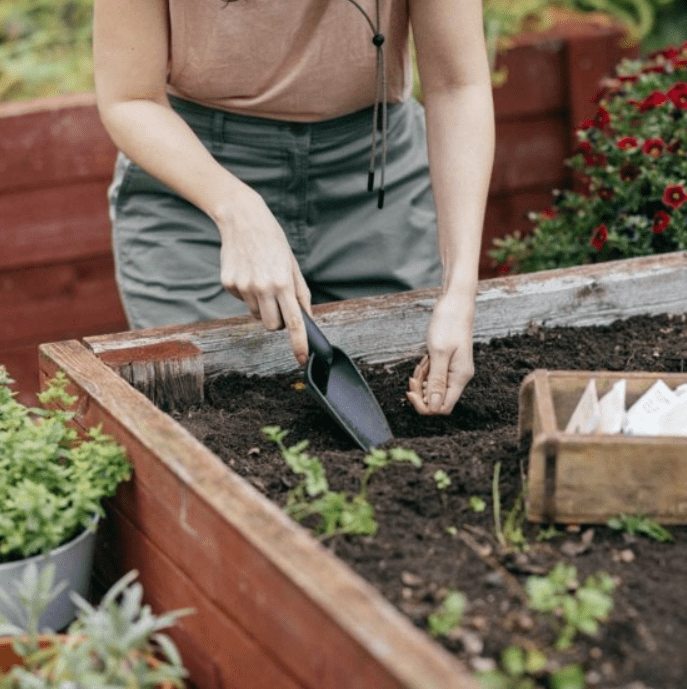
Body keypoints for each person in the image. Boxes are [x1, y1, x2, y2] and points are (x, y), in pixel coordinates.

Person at [93, 0, 495, 416]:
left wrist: (460, 292)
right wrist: (236, 208)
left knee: (397, 409)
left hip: (374, 172)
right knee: (213, 417)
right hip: (195, 179)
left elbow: (456, 85)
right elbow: (130, 98)